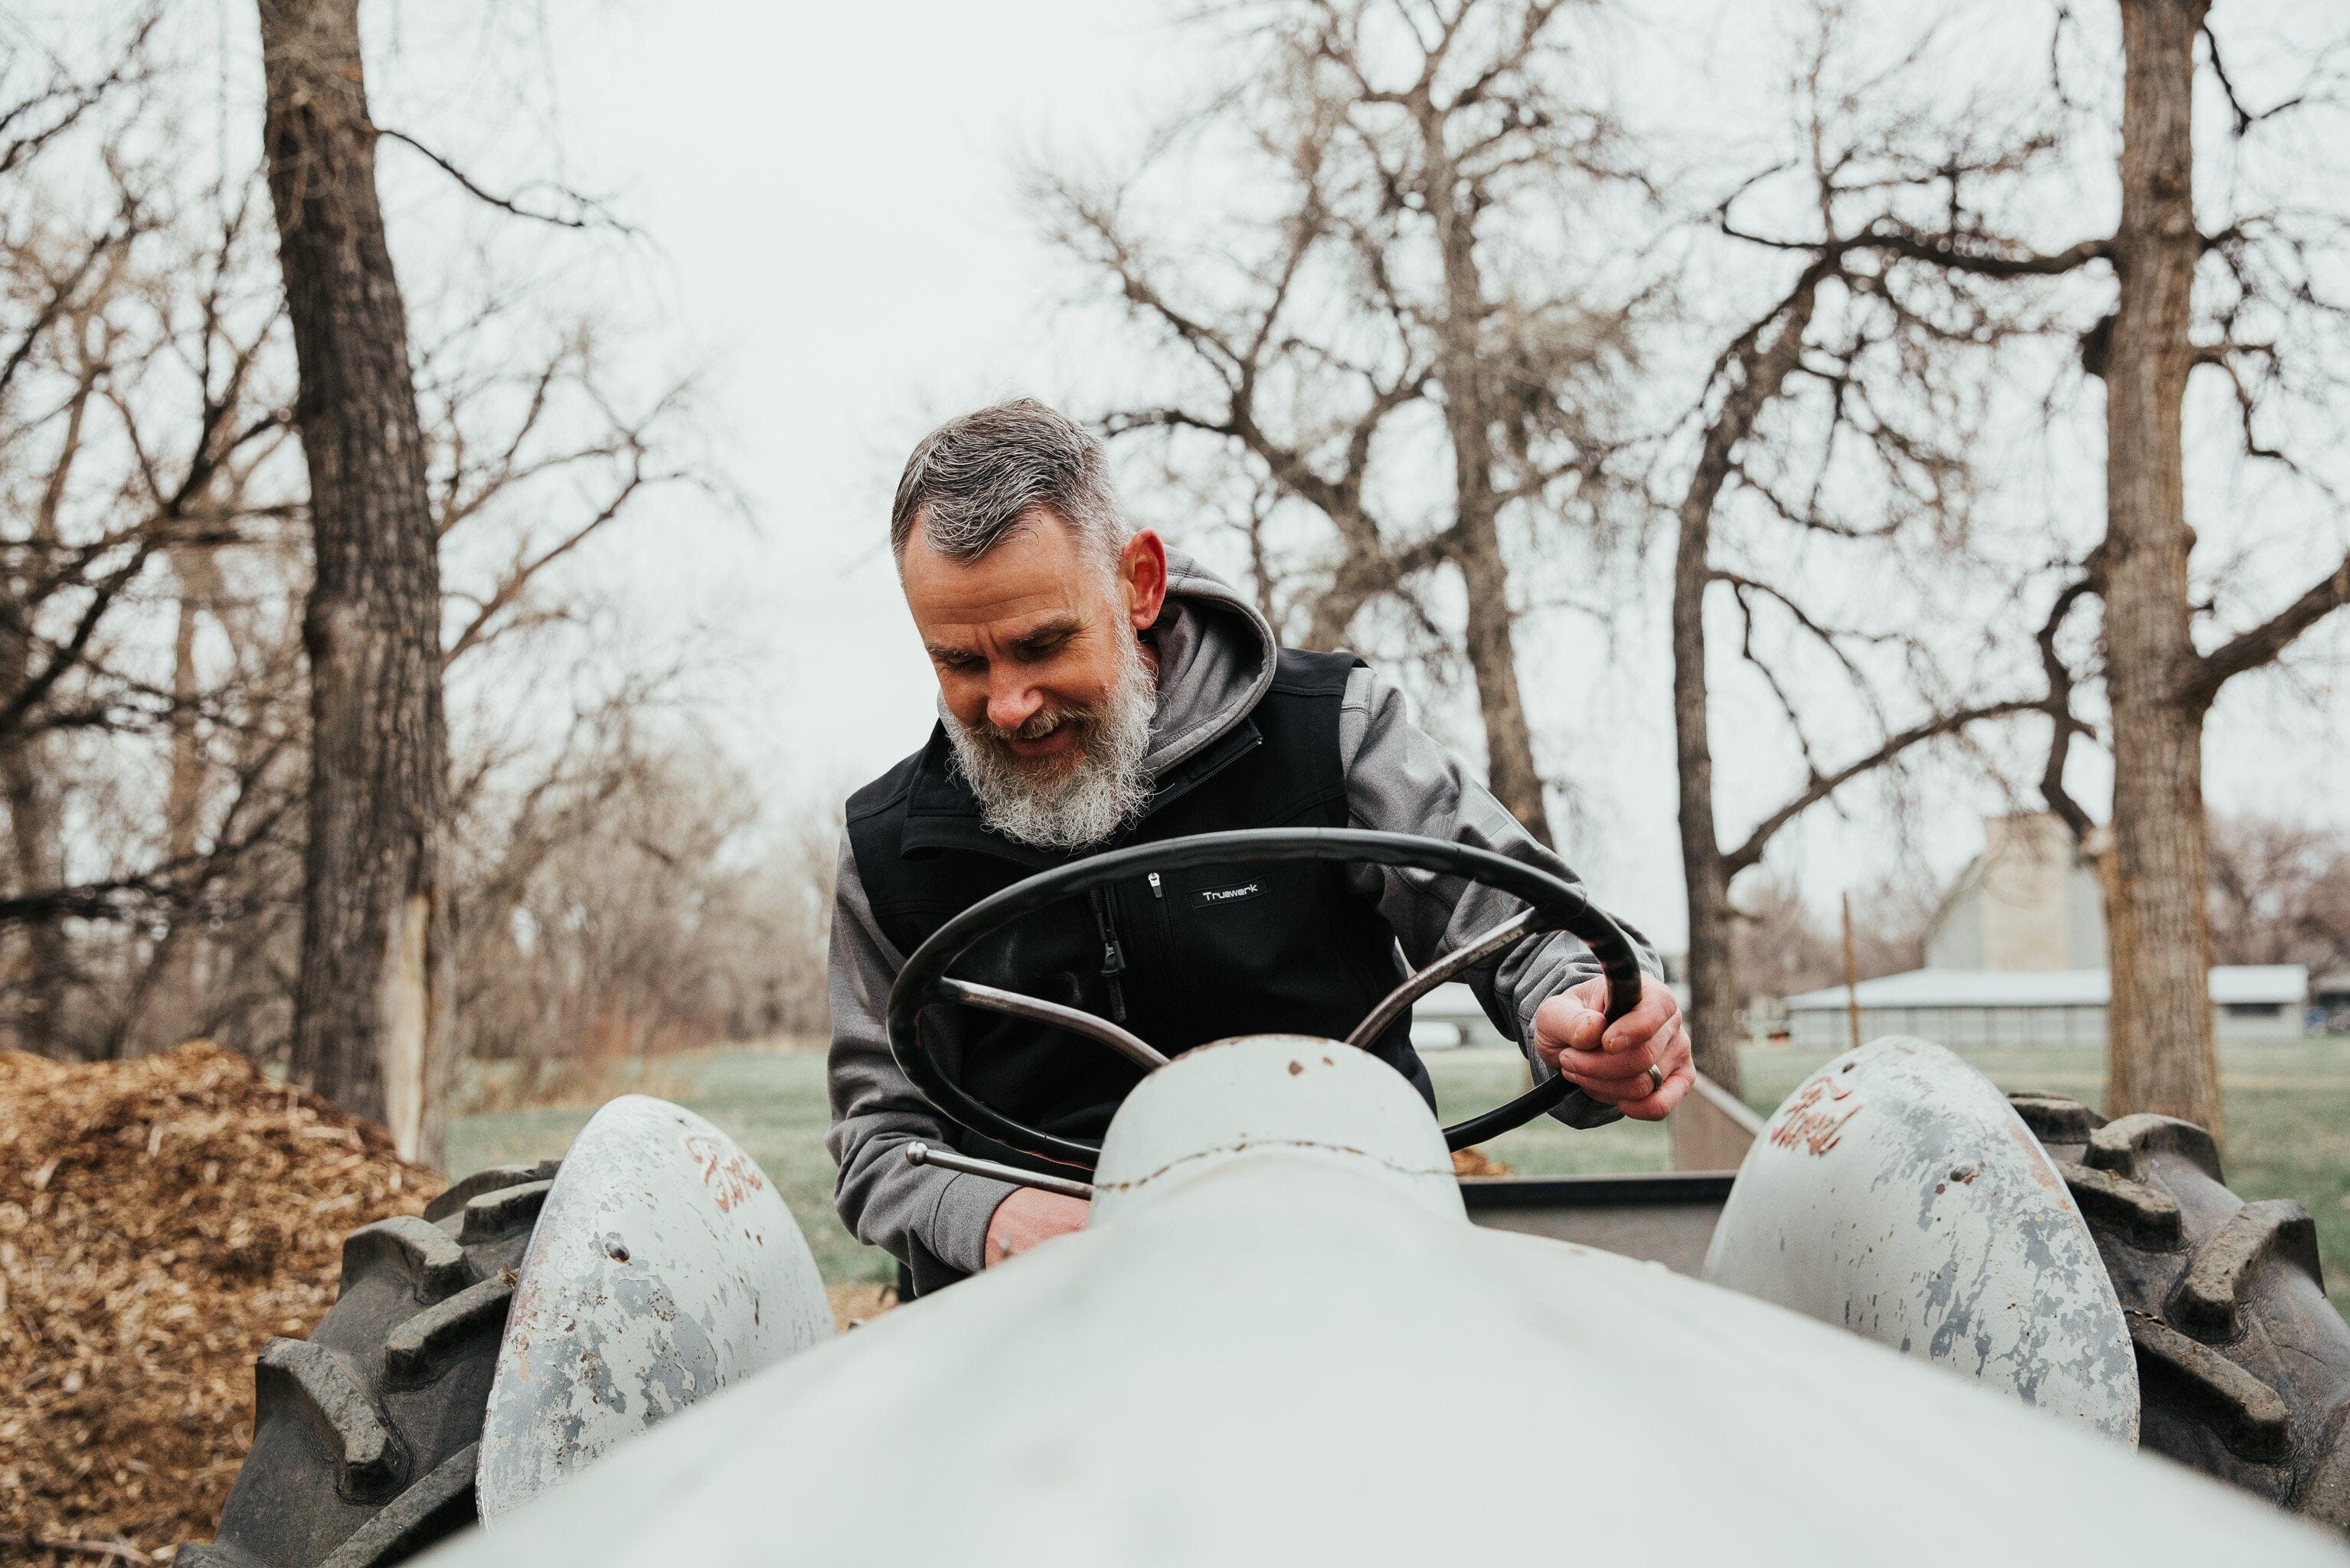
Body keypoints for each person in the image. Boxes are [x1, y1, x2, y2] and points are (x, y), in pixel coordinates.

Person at [828, 399, 1692, 1295]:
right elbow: (878, 1141)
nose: (1008, 704)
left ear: (1140, 583)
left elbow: (1525, 925)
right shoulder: (893, 848)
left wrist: (1593, 1012)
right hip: (1035, 1321)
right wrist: (995, 1218)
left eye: (1042, 643)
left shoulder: (1334, 738)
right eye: (961, 664)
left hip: (1349, 1273)